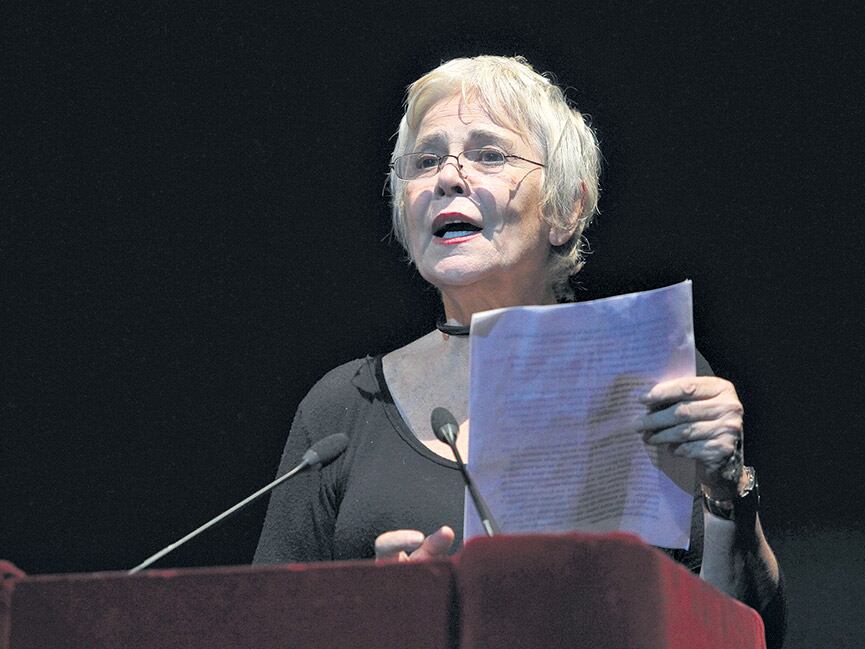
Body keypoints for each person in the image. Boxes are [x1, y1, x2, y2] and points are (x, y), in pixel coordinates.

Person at [254, 55, 784, 643]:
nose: (448, 178)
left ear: (566, 209)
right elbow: (263, 631)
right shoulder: (342, 409)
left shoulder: (650, 379)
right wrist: (375, 620)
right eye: (425, 161)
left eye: (489, 155)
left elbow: (744, 633)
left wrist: (727, 493)